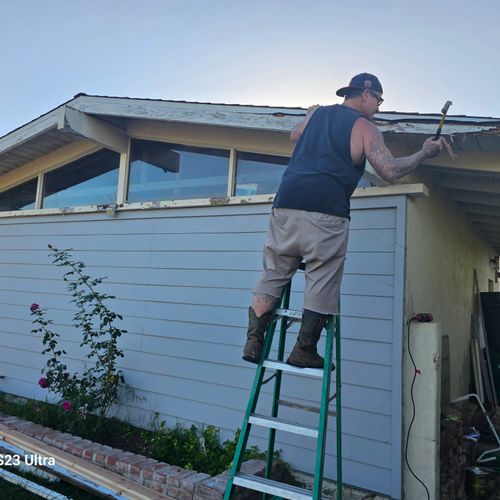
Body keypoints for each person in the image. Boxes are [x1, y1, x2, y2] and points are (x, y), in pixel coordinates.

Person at [242, 73, 443, 369]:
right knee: (322, 277)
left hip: (285, 205)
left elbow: (295, 135)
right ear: (365, 93)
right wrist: (424, 153)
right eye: (379, 100)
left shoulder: (318, 114)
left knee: (273, 272)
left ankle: (253, 341)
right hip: (326, 211)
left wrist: (311, 114)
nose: (378, 108)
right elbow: (389, 171)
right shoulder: (365, 127)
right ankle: (304, 349)